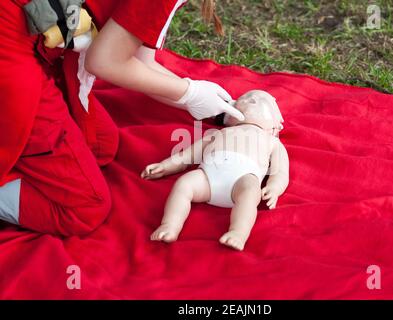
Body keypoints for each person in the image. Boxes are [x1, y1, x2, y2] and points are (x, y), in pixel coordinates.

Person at [0, 0, 242, 236]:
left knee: (99, 145)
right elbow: (104, 62)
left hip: (35, 29)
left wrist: (213, 107)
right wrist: (191, 94)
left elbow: (138, 61)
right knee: (85, 208)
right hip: (12, 38)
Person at [142, 90, 289, 251]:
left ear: (276, 127)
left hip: (243, 179)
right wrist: (165, 166)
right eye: (246, 98)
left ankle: (238, 233)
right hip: (207, 177)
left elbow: (280, 170)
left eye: (257, 101)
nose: (250, 101)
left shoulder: (272, 142)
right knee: (184, 184)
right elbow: (189, 154)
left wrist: (275, 188)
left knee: (250, 192)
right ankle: (169, 225)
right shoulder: (219, 133)